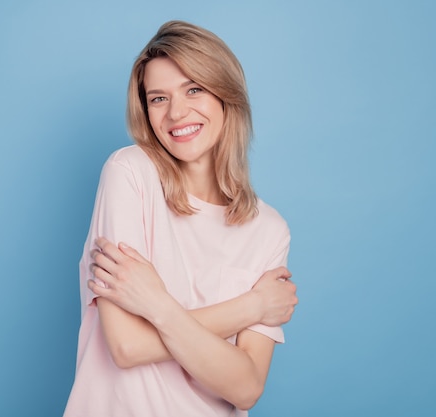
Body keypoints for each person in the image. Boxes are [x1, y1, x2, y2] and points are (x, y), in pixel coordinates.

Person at [63, 20, 298, 417]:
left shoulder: (268, 230)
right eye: (158, 98)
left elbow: (246, 387)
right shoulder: (130, 173)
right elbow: (126, 347)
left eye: (194, 89)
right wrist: (253, 307)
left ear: (227, 96)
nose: (176, 112)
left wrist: (155, 304)